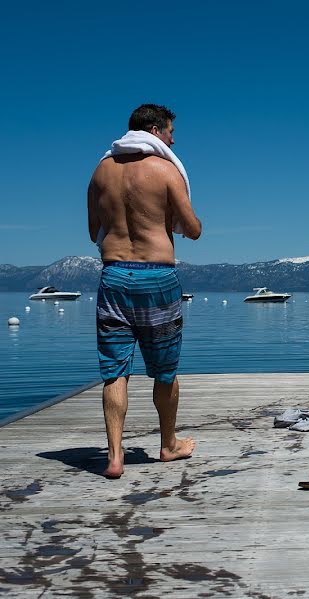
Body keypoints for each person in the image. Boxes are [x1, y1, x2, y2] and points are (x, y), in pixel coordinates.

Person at [87, 104, 202, 479]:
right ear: (154, 130)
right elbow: (193, 229)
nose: (172, 139)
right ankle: (168, 446)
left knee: (114, 372)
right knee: (164, 372)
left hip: (115, 275)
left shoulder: (101, 171)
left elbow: (94, 231)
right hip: (157, 278)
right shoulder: (165, 169)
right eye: (170, 131)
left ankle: (115, 457)